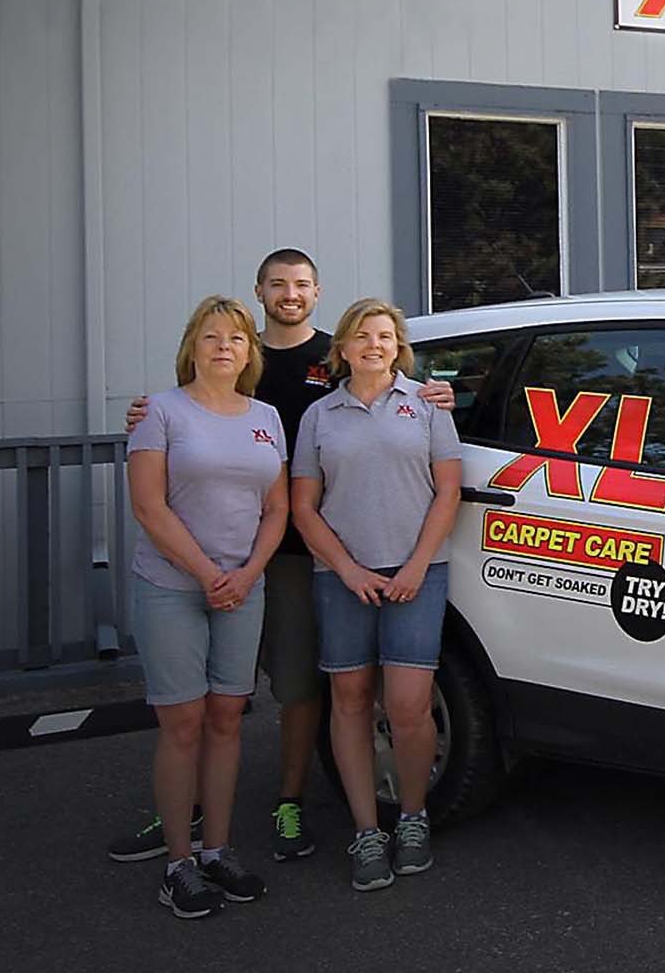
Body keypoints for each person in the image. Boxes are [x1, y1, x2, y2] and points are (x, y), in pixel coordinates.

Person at [106, 249, 455, 865]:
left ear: (317, 292)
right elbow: (178, 429)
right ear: (259, 291)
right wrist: (146, 411)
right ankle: (180, 819)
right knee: (202, 702)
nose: (288, 294)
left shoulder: (338, 358)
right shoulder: (226, 365)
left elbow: (417, 436)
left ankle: (287, 803)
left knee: (296, 687)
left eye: (300, 284)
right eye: (277, 284)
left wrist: (440, 392)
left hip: (295, 553)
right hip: (217, 559)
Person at [291, 298, 462, 892]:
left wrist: (417, 564)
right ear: (342, 348)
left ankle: (412, 818)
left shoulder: (428, 405)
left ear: (399, 347)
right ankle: (367, 829)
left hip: (419, 571)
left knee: (411, 705)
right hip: (342, 577)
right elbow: (303, 508)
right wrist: (346, 569)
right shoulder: (320, 416)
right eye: (362, 336)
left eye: (386, 336)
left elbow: (448, 494)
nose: (374, 345)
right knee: (351, 700)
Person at [126, 296, 287, 919]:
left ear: (250, 352)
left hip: (243, 588)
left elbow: (277, 508)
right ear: (192, 345)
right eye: (212, 336)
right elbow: (149, 506)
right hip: (172, 586)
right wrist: (208, 573)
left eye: (237, 338)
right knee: (183, 723)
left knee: (226, 718)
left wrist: (246, 574)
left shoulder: (267, 417)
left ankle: (217, 849)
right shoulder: (160, 413)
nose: (225, 346)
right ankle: (178, 862)